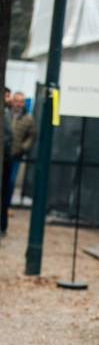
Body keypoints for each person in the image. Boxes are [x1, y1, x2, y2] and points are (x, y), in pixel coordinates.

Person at [7, 91, 36, 209]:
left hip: (15, 155)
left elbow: (32, 136)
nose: (19, 104)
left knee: (11, 182)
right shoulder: (6, 114)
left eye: (21, 102)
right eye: (17, 101)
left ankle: (6, 206)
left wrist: (23, 148)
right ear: (13, 101)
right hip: (3, 154)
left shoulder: (28, 119)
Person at [1, 88, 13, 235]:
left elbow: (9, 135)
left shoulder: (7, 113)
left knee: (5, 192)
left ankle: (3, 225)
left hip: (7, 158)